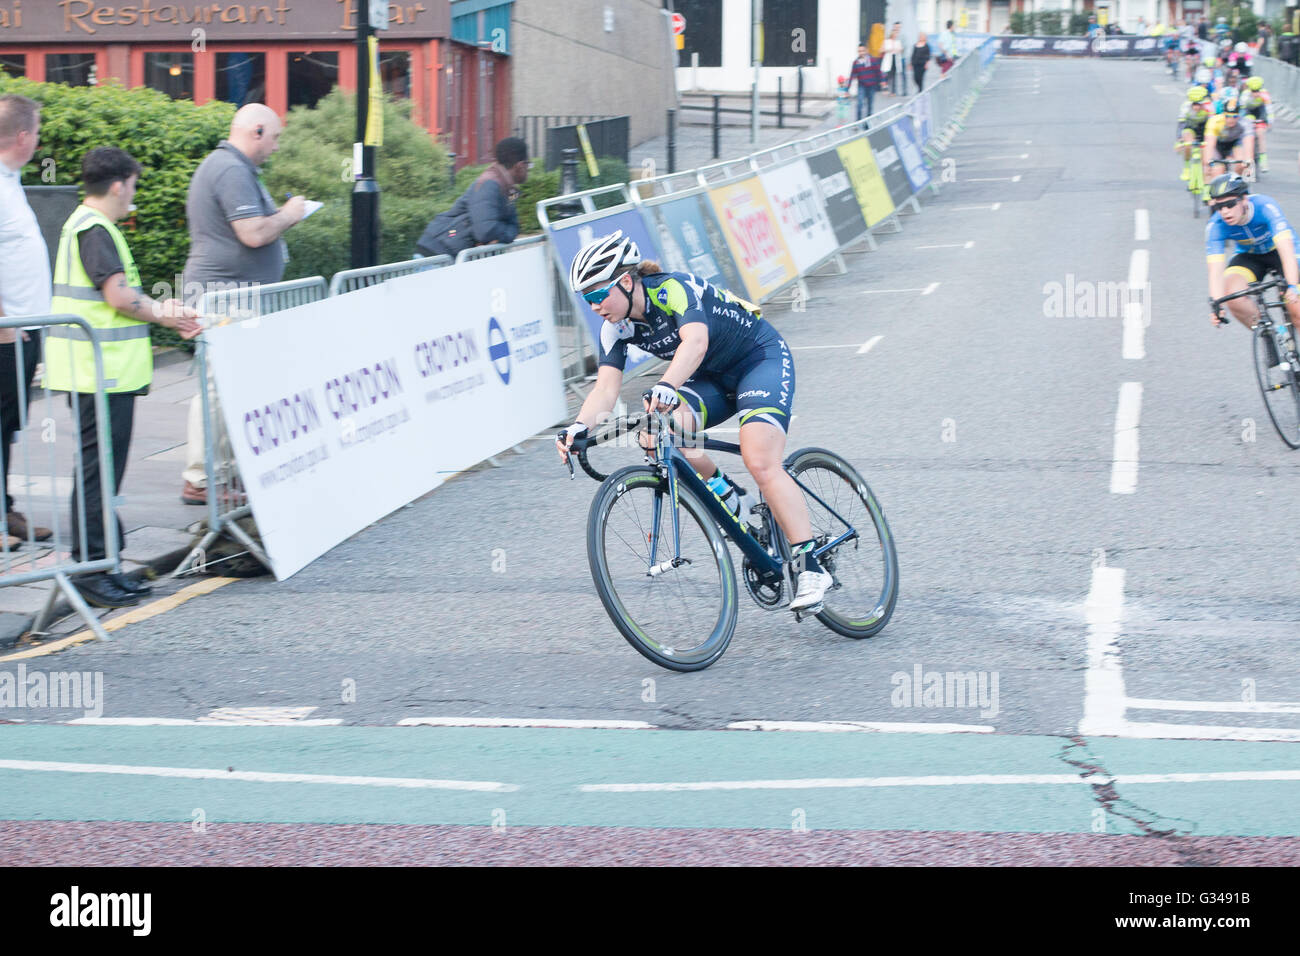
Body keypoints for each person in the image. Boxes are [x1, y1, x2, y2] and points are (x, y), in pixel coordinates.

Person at [556, 231, 835, 615]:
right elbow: (605, 389)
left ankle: (811, 566)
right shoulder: (615, 328)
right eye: (586, 300)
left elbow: (696, 342)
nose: (594, 307)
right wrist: (577, 429)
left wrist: (668, 384)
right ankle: (733, 497)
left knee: (760, 460)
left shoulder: (672, 289)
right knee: (656, 435)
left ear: (624, 281)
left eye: (597, 295)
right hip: (712, 380)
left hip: (758, 361)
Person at [44, 147, 202, 608]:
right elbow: (117, 296)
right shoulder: (94, 228)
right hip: (98, 374)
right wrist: (165, 315)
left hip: (100, 373)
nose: (133, 193)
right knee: (98, 473)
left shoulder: (89, 225)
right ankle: (91, 570)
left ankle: (104, 564)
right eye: (133, 184)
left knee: (101, 473)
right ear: (118, 184)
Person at [180, 103, 305, 507]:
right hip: (225, 296)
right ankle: (202, 479)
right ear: (255, 131)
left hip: (232, 294)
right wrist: (288, 215)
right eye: (275, 137)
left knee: (228, 385)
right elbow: (252, 233)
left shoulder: (231, 168)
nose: (277, 146)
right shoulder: (232, 171)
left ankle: (221, 475)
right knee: (217, 388)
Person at [0, 94, 52, 550]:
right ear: (22, 137)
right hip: (5, 332)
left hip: (24, 328)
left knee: (7, 425)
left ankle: (4, 509)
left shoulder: (11, 180)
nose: (38, 140)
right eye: (35, 131)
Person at [1204, 175, 1300, 338]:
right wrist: (1217, 304)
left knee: (1295, 306)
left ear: (1244, 200)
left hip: (1280, 251)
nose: (1225, 211)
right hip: (1249, 256)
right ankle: (1274, 334)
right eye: (1219, 207)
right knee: (1233, 296)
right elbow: (1215, 271)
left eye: (1230, 204)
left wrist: (1292, 286)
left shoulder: (1265, 206)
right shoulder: (1216, 226)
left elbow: (1286, 250)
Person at [415, 137, 529, 258]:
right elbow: (485, 231)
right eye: (528, 164)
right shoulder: (489, 184)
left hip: (449, 254)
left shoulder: (507, 189)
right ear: (520, 165)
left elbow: (513, 226)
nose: (528, 169)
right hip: (437, 255)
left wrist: (502, 235)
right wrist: (505, 233)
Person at [1203, 96, 1255, 189]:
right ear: (1223, 114)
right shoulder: (1214, 121)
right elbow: (1210, 144)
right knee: (1217, 170)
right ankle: (1212, 197)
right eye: (1227, 116)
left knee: (1242, 163)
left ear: (1239, 115)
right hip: (1218, 146)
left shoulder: (1245, 123)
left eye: (1234, 116)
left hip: (1234, 145)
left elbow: (1248, 144)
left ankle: (1236, 186)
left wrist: (1249, 164)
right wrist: (1208, 162)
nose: (1231, 119)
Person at [1241, 75, 1272, 172]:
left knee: (1260, 134)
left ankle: (1263, 161)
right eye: (1253, 91)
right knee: (1246, 139)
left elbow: (1269, 110)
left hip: (1260, 115)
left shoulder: (1265, 95)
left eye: (1257, 91)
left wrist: (1270, 122)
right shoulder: (1245, 95)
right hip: (1248, 115)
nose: (1256, 93)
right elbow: (1242, 110)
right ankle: (1247, 164)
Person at [848, 43, 882, 121]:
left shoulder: (872, 60)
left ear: (866, 51)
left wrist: (882, 82)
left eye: (863, 51)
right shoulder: (856, 63)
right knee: (859, 104)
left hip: (871, 86)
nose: (861, 53)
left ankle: (868, 122)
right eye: (859, 51)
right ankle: (858, 122)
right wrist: (847, 89)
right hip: (862, 86)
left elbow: (878, 72)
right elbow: (852, 76)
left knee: (870, 105)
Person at [883, 23, 905, 96]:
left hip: (895, 59)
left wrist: (897, 49)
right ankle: (888, 89)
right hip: (889, 59)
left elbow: (901, 49)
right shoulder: (887, 41)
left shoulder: (898, 42)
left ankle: (893, 91)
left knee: (895, 77)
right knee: (889, 76)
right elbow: (884, 49)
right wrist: (891, 49)